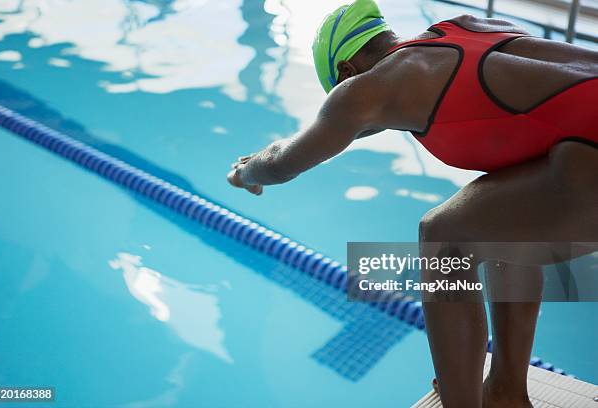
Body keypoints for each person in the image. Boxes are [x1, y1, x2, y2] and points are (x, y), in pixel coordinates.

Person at [226, 0, 598, 406]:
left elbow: (283, 164)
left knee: (443, 236)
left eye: (338, 91)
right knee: (500, 217)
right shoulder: (465, 27)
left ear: (347, 73)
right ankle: (505, 389)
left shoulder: (369, 88)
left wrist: (246, 171)